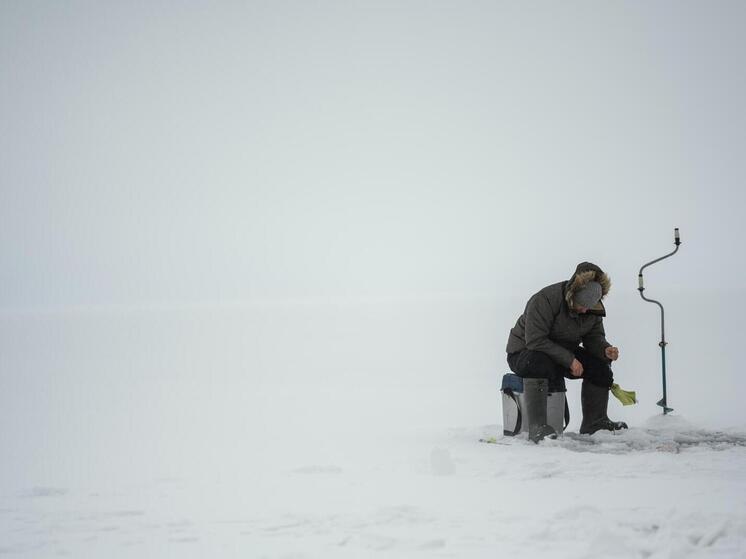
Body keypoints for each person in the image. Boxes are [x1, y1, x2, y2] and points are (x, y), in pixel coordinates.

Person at [506, 262, 628, 442]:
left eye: (589, 307)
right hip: (524, 352)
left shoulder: (592, 310)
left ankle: (595, 423)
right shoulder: (545, 299)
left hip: (561, 352)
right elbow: (535, 340)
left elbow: (594, 338)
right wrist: (570, 360)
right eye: (581, 305)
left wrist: (605, 350)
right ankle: (538, 427)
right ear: (573, 295)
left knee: (600, 367)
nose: (585, 310)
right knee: (541, 363)